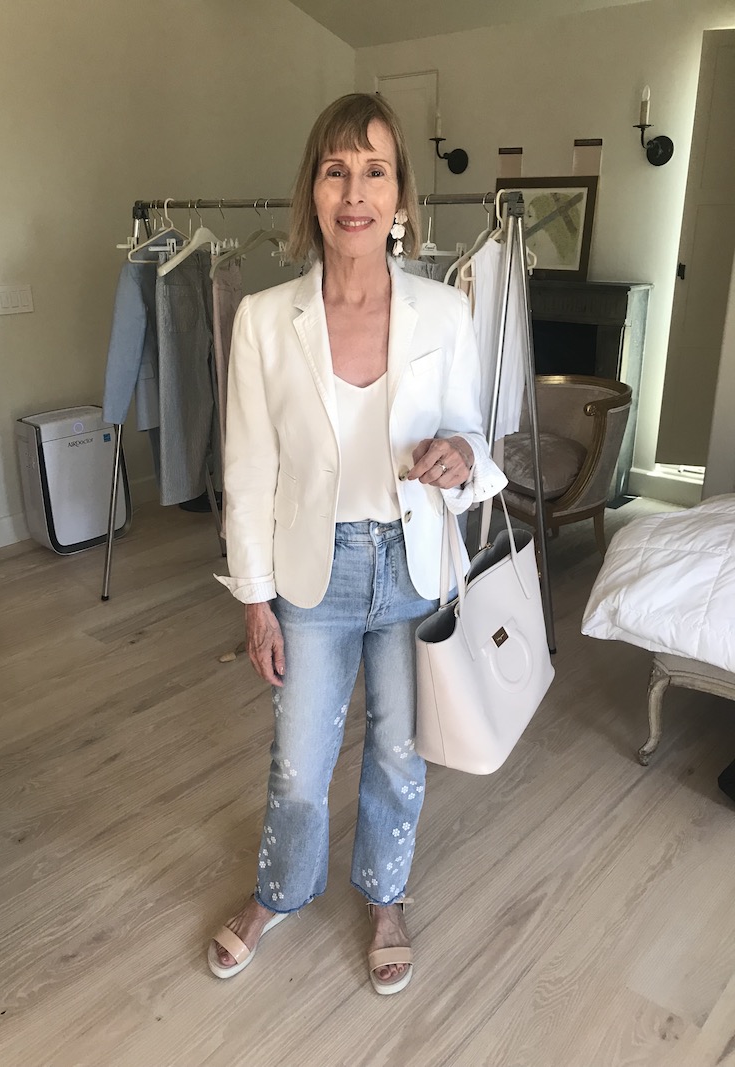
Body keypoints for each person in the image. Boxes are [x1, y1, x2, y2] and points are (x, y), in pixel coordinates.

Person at [209, 92, 505, 995]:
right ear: (313, 188)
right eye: (336, 170)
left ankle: (384, 895)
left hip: (415, 569)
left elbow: (478, 438)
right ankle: (279, 890)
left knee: (398, 753)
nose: (354, 192)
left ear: (400, 194)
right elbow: (248, 468)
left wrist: (465, 457)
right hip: (316, 573)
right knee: (299, 764)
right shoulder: (265, 320)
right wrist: (254, 600)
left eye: (375, 171)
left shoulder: (444, 313)